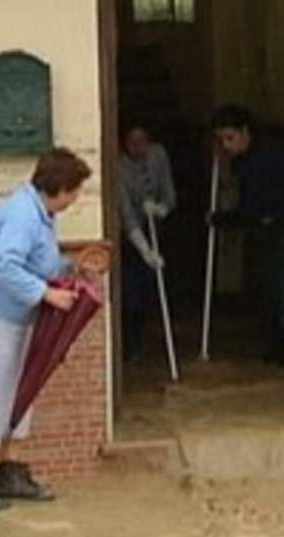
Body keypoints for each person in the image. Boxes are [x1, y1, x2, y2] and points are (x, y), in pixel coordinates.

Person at [0, 147, 93, 512]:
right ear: (61, 188)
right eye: (76, 191)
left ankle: (11, 470)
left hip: (15, 314)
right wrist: (46, 294)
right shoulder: (23, 215)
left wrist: (68, 270)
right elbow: (5, 265)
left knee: (21, 387)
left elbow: (39, 260)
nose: (76, 199)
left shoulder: (41, 214)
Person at [208, 104, 284, 377]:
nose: (226, 145)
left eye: (230, 138)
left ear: (246, 133)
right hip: (272, 227)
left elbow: (254, 208)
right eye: (222, 139)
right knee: (274, 285)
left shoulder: (266, 159)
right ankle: (280, 348)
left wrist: (225, 220)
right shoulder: (245, 162)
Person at [116, 120, 177, 365]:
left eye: (143, 141)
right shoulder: (118, 166)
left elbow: (169, 191)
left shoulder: (158, 155)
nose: (139, 148)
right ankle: (132, 345)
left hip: (157, 228)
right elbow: (126, 214)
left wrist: (163, 208)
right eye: (133, 143)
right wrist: (145, 250)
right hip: (131, 236)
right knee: (132, 291)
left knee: (152, 286)